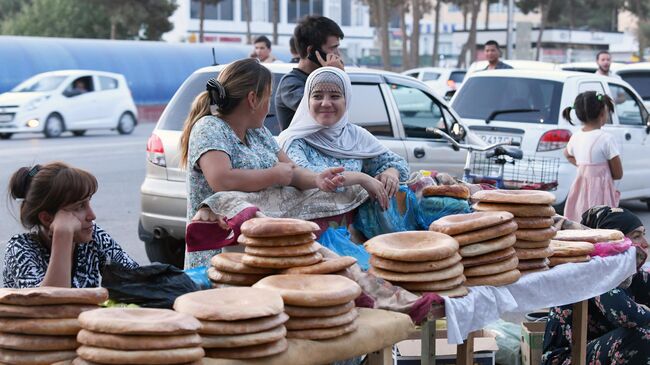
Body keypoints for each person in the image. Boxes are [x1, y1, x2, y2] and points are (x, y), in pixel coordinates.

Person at [179, 58, 365, 269]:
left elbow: (291, 171)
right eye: (267, 97)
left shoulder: (258, 131)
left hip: (258, 248)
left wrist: (317, 179)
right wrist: (274, 175)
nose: (269, 104)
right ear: (252, 99)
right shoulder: (210, 127)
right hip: (218, 252)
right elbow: (221, 179)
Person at [279, 67, 409, 212]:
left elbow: (397, 162)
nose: (326, 103)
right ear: (307, 101)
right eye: (317, 96)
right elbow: (309, 174)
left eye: (334, 96)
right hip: (312, 229)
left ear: (347, 100)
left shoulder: (356, 136)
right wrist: (361, 178)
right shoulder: (293, 139)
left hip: (356, 231)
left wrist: (391, 173)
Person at [541, 205, 650, 365]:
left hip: (593, 349)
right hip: (565, 358)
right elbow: (626, 316)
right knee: (642, 337)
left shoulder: (628, 272)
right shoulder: (596, 269)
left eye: (644, 234)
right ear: (617, 243)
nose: (645, 243)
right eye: (636, 236)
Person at [3, 162, 138, 288]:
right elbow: (51, 303)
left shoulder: (92, 235)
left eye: (88, 202)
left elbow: (136, 280)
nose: (92, 215)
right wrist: (63, 235)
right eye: (79, 206)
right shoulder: (20, 249)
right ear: (47, 219)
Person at [275, 15, 345, 130]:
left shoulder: (320, 80)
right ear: (311, 51)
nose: (337, 54)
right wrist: (336, 75)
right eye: (333, 48)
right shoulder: (291, 84)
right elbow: (322, 110)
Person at [562, 91, 622, 222]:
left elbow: (566, 153)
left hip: (580, 190)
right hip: (601, 192)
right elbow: (618, 173)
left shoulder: (576, 136)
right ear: (602, 114)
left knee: (581, 224)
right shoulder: (606, 139)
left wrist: (583, 166)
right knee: (601, 227)